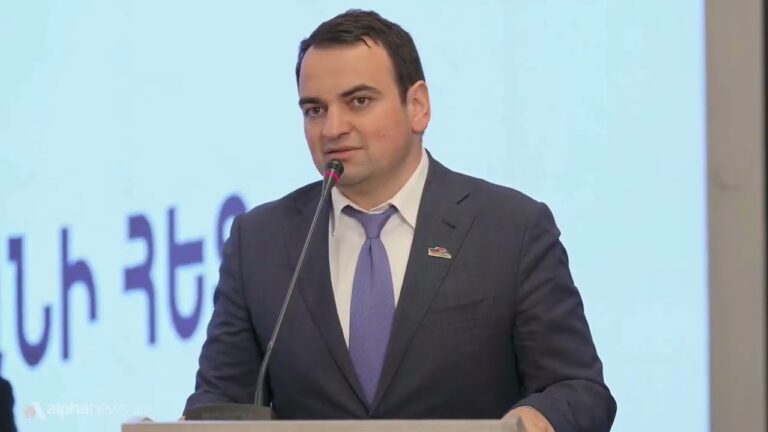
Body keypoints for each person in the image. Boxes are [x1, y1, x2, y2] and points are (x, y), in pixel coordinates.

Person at [185, 9, 616, 432]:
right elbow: (219, 401)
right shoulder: (259, 242)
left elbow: (577, 389)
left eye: (358, 101)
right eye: (314, 109)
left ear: (418, 106)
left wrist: (532, 421)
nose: (332, 128)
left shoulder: (510, 229)